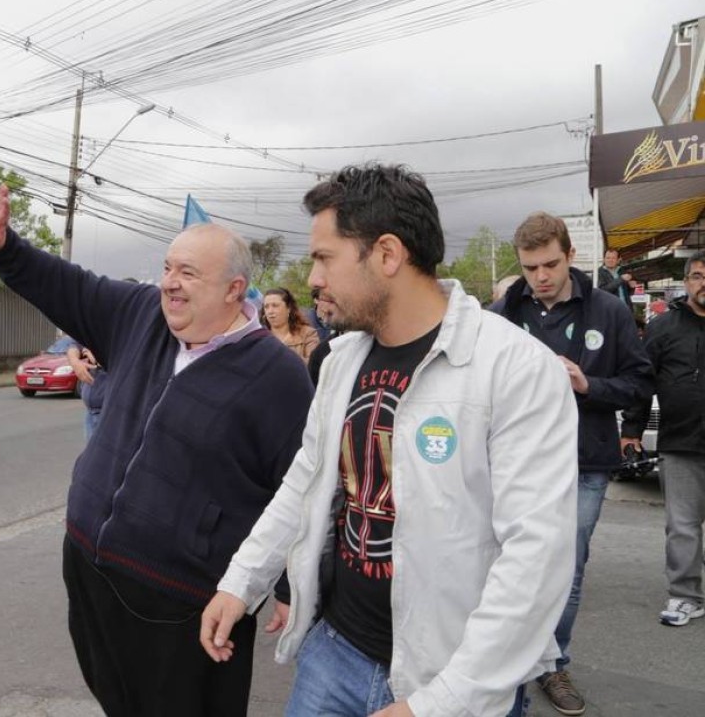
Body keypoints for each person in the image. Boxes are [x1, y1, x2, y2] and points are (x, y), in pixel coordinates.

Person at [201, 163, 579, 717]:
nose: (313, 279)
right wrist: (241, 582)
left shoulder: (516, 370)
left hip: (452, 678)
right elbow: (305, 481)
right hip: (333, 655)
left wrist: (440, 702)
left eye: (325, 257)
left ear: (386, 254)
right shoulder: (341, 361)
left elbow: (536, 557)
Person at [0, 184, 311, 717]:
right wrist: (5, 249)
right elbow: (72, 288)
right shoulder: (140, 315)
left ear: (235, 289)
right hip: (90, 565)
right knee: (116, 697)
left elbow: (298, 487)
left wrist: (289, 583)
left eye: (188, 273)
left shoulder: (279, 375)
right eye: (167, 267)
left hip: (181, 598)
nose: (170, 284)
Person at [493, 212, 653, 716]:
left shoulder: (608, 312)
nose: (540, 276)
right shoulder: (502, 312)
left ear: (570, 256)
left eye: (550, 264)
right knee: (505, 559)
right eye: (530, 267)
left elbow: (639, 383)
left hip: (585, 462)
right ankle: (502, 656)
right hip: (515, 463)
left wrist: (588, 386)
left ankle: (551, 664)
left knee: (568, 568)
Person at [622, 250, 705, 627]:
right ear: (687, 282)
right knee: (682, 527)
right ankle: (686, 596)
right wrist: (631, 431)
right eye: (698, 276)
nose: (704, 284)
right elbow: (642, 382)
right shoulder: (664, 328)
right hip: (680, 443)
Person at [261, 287, 320, 362]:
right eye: (266, 307)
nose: (270, 311)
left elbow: (313, 365)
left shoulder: (308, 334)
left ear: (289, 308)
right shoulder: (259, 338)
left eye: (275, 306)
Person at [65, 343, 106, 440]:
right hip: (91, 413)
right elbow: (74, 345)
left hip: (111, 414)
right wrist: (75, 361)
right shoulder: (97, 330)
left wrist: (100, 357)